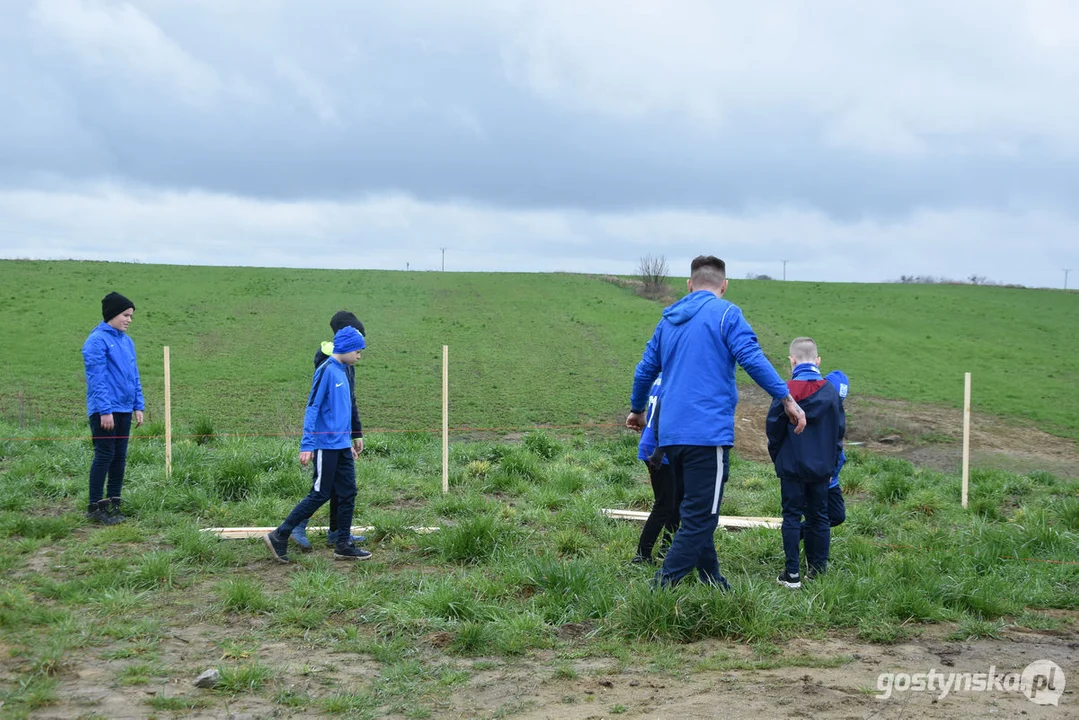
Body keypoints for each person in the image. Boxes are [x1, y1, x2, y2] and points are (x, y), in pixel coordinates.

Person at [628, 255, 806, 589]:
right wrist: (787, 399)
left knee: (696, 510)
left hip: (670, 437)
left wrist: (638, 410)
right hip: (707, 436)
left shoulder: (668, 320)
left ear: (689, 284)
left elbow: (644, 370)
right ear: (724, 286)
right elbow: (752, 359)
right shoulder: (727, 314)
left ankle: (714, 583)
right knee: (701, 518)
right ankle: (658, 590)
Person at [264, 326, 372, 563]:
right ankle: (279, 535)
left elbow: (343, 410)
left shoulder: (344, 371)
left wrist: (352, 439)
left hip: (342, 446)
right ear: (344, 348)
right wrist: (307, 444)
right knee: (320, 493)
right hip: (325, 446)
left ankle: (343, 544)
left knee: (348, 492)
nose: (359, 356)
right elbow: (312, 407)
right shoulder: (326, 371)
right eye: (357, 350)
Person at [766, 337, 845, 589]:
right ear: (818, 360)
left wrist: (778, 458)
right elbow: (838, 432)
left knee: (791, 517)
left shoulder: (785, 391)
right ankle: (817, 573)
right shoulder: (831, 392)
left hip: (791, 465)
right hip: (823, 467)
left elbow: (773, 430)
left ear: (792, 361)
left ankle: (792, 575)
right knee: (819, 516)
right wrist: (833, 464)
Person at [290, 311, 368, 552]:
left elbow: (350, 399)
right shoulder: (328, 362)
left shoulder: (348, 361)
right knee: (322, 485)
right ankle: (295, 527)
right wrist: (309, 442)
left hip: (342, 436)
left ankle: (337, 533)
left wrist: (355, 433)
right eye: (357, 342)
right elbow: (318, 403)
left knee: (342, 486)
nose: (359, 354)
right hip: (327, 436)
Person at [82, 291, 145, 525]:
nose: (129, 319)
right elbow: (96, 379)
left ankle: (114, 503)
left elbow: (134, 376)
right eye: (125, 315)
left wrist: (139, 405)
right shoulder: (96, 341)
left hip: (125, 409)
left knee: (119, 457)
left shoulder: (127, 342)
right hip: (105, 411)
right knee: (104, 455)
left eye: (131, 316)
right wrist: (104, 410)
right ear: (111, 314)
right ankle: (95, 506)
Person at [632, 374, 680, 565]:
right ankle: (642, 555)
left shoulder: (660, 378)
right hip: (661, 450)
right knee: (665, 504)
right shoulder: (678, 378)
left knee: (676, 502)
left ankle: (667, 550)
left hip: (656, 446)